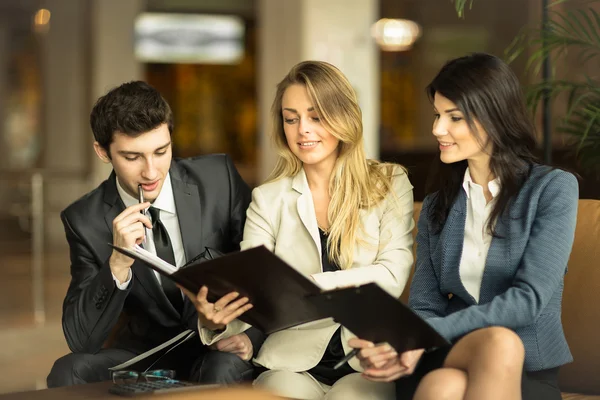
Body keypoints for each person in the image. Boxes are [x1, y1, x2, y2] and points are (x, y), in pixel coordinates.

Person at [349, 53, 579, 400]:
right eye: (437, 115)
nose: (437, 129)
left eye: (453, 117)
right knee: (448, 376)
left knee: (456, 379)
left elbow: (527, 300)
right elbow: (425, 305)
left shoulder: (552, 189)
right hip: (447, 351)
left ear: (494, 117)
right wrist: (399, 341)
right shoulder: (436, 206)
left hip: (525, 368)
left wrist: (428, 331)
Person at [183, 60, 415, 400]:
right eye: (291, 119)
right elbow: (254, 292)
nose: (302, 129)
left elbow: (392, 275)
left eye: (316, 116)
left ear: (343, 117)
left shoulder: (390, 182)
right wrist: (217, 321)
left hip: (366, 355)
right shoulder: (268, 198)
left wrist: (311, 285)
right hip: (289, 360)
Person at [47, 81, 264, 387]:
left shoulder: (219, 179)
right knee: (69, 370)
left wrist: (251, 336)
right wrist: (118, 264)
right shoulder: (85, 218)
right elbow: (81, 338)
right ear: (102, 152)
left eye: (161, 151)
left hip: (219, 344)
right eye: (132, 157)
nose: (151, 172)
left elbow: (262, 269)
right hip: (146, 354)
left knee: (222, 369)